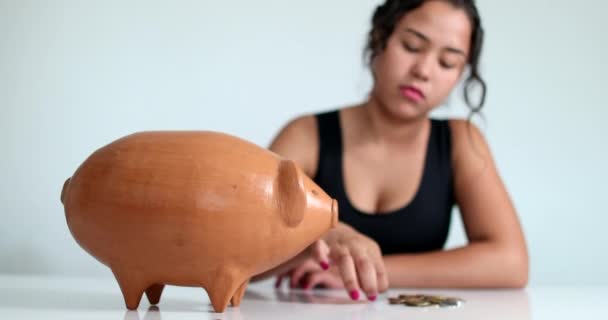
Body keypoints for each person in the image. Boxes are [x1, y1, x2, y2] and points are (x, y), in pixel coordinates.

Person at [252, 0, 528, 302]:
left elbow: (510, 263)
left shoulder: (460, 140)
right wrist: (313, 240)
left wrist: (357, 269)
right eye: (411, 46)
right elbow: (232, 244)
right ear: (379, 39)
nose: (423, 71)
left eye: (447, 63)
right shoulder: (307, 135)